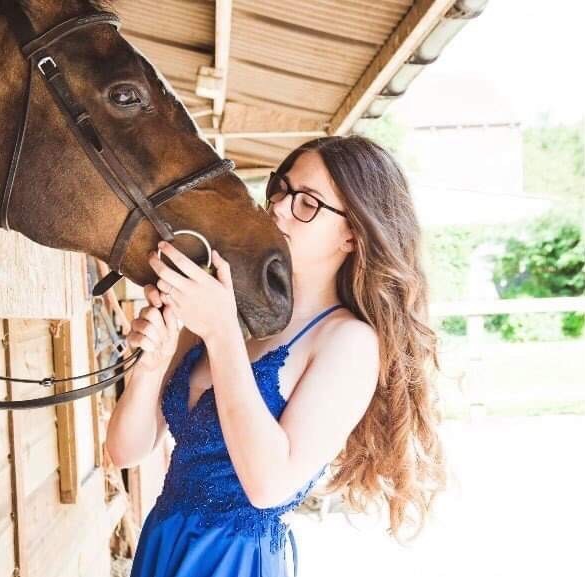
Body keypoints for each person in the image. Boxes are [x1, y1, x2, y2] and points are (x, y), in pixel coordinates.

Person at [106, 135, 447, 577]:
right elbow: (124, 450)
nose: (280, 208)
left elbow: (268, 486)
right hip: (162, 540)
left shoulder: (348, 342)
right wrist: (152, 365)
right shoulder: (223, 307)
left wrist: (222, 332)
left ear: (352, 233)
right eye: (281, 189)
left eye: (308, 202)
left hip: (235, 559)